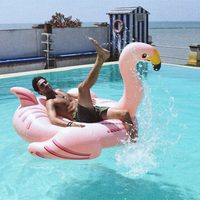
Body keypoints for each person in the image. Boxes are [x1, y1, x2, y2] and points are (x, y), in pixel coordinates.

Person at [32, 37, 137, 141]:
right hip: (80, 116)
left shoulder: (59, 90)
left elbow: (73, 97)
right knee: (82, 88)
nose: (46, 84)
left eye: (45, 82)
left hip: (92, 110)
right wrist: (71, 124)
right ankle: (100, 58)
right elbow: (53, 120)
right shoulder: (50, 102)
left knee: (124, 114)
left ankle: (135, 142)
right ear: (39, 92)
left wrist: (87, 99)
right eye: (42, 85)